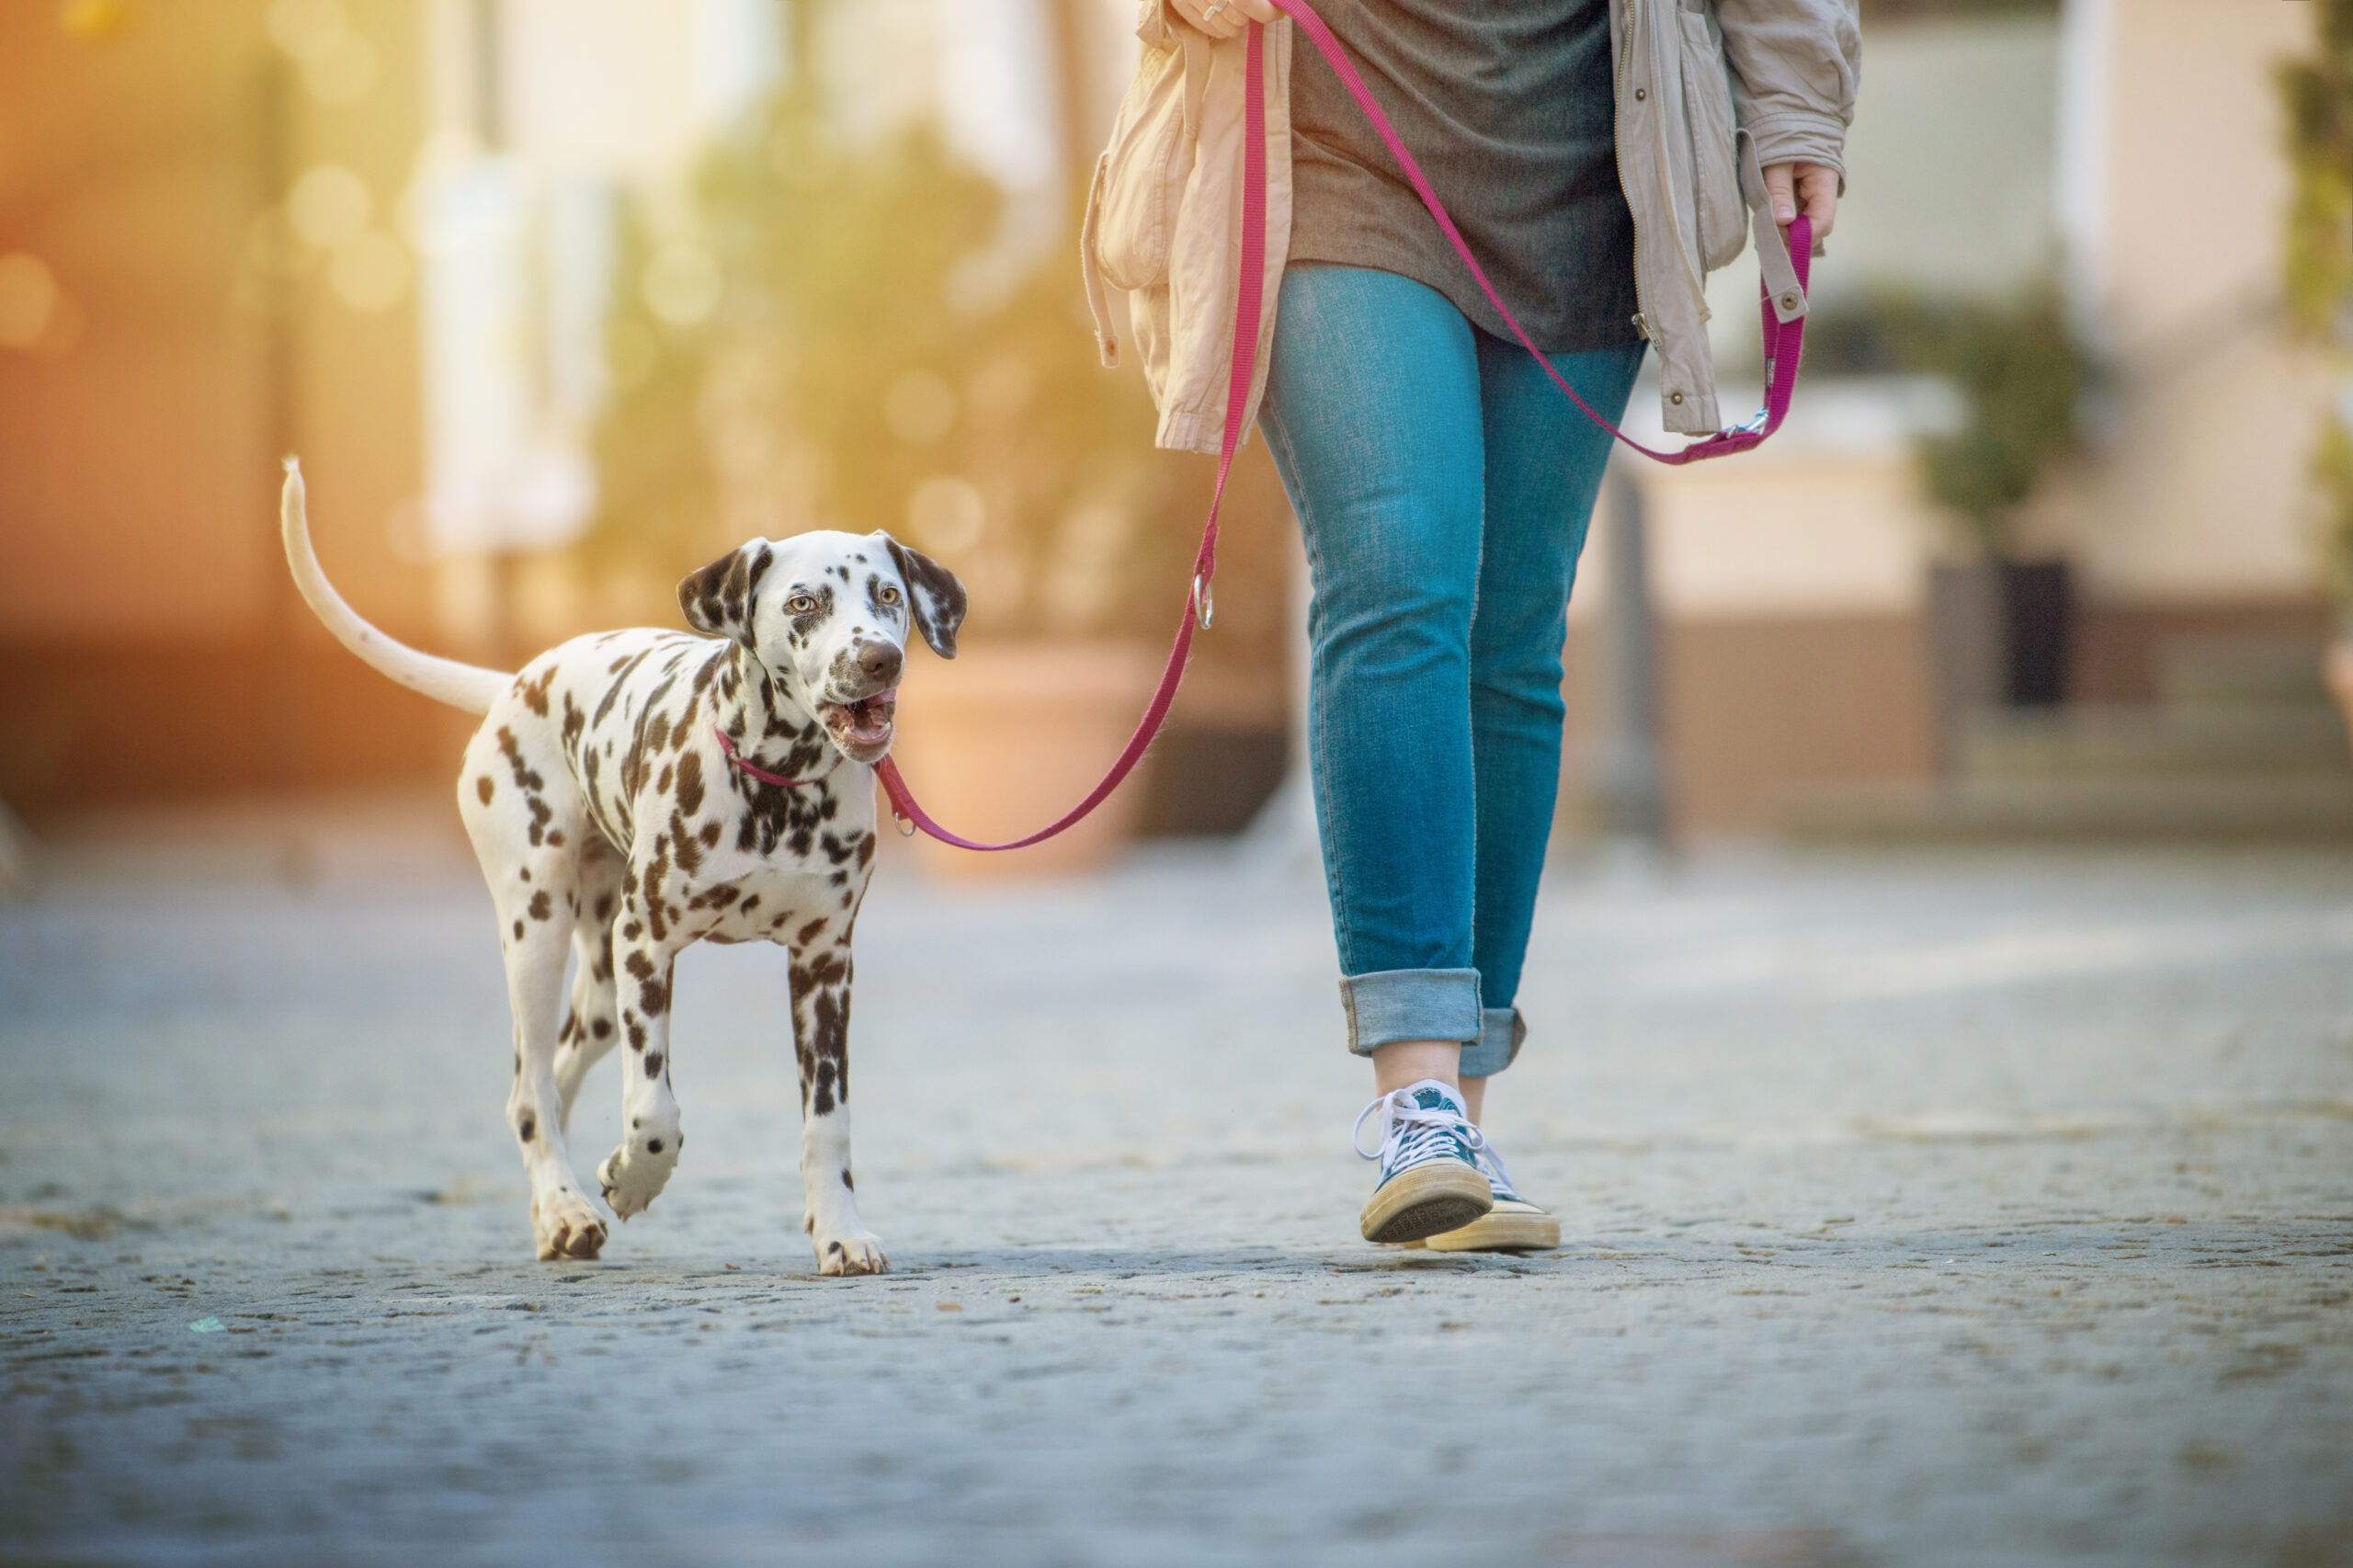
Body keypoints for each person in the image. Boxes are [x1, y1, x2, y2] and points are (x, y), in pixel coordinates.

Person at [1090, 0, 1858, 1249]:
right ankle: (1418, 1095)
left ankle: (1460, 1119)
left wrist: (1795, 103)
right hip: (1333, 146)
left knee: (1509, 638)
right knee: (1399, 560)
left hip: (1588, 167)